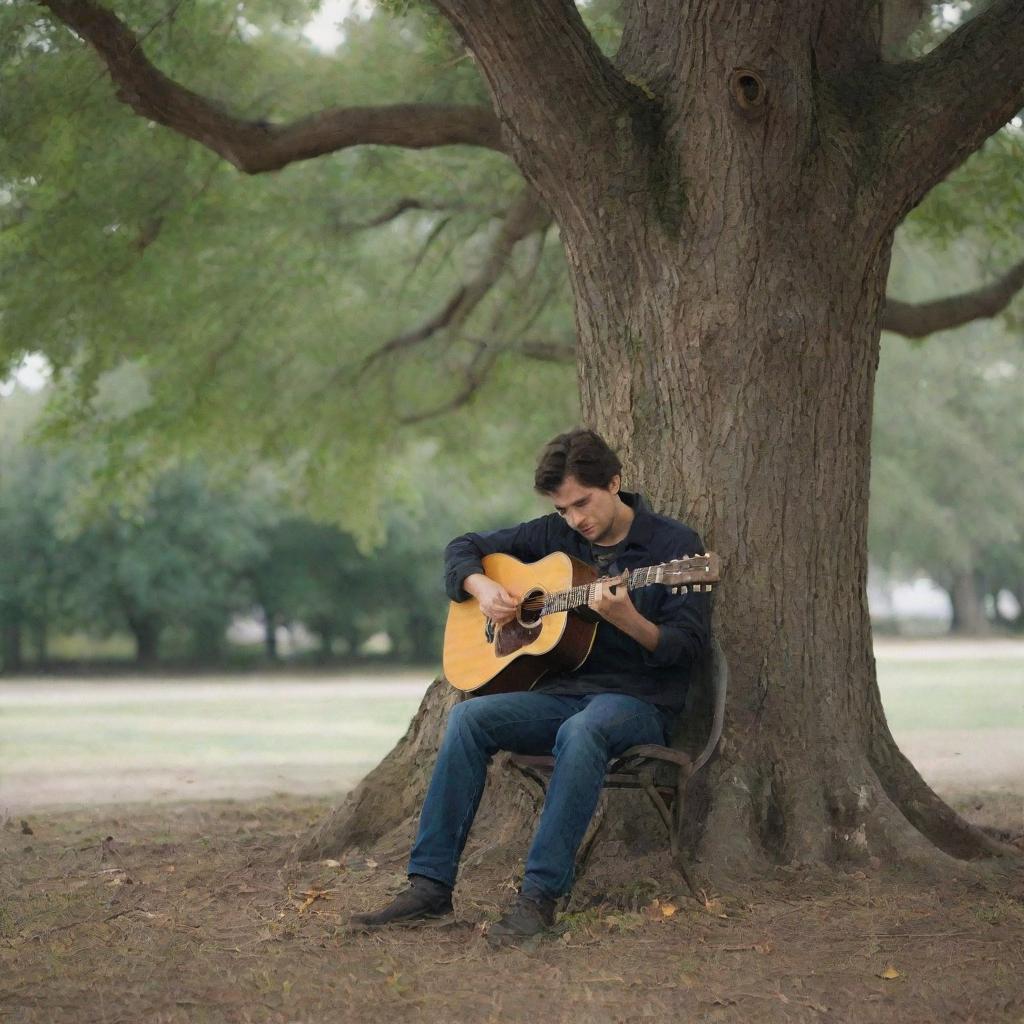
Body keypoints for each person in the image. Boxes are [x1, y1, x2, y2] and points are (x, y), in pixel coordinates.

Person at [350, 428, 710, 941]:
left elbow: (686, 649)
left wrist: (628, 619)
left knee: (583, 731)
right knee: (469, 718)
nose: (576, 519)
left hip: (637, 701)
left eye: (583, 503)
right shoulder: (555, 538)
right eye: (564, 509)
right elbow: (463, 548)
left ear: (615, 482)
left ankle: (538, 900)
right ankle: (429, 886)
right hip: (561, 696)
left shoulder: (675, 550)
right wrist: (484, 585)